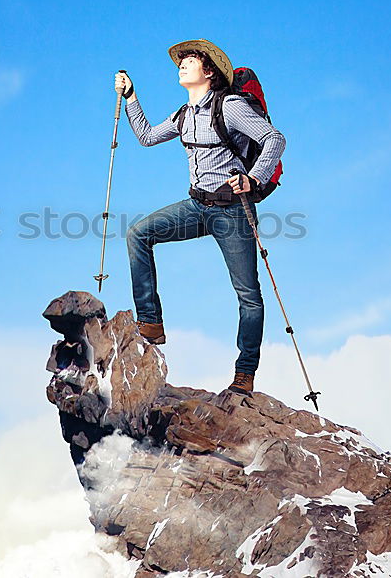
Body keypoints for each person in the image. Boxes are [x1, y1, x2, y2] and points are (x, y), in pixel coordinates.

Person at [115, 39, 286, 395]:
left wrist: (253, 178)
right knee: (137, 234)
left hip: (233, 212)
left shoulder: (231, 106)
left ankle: (244, 372)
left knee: (248, 294)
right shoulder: (184, 114)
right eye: (182, 60)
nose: (183, 63)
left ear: (208, 71)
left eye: (191, 59)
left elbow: (274, 139)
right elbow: (146, 137)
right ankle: (150, 322)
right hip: (196, 207)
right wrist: (131, 97)